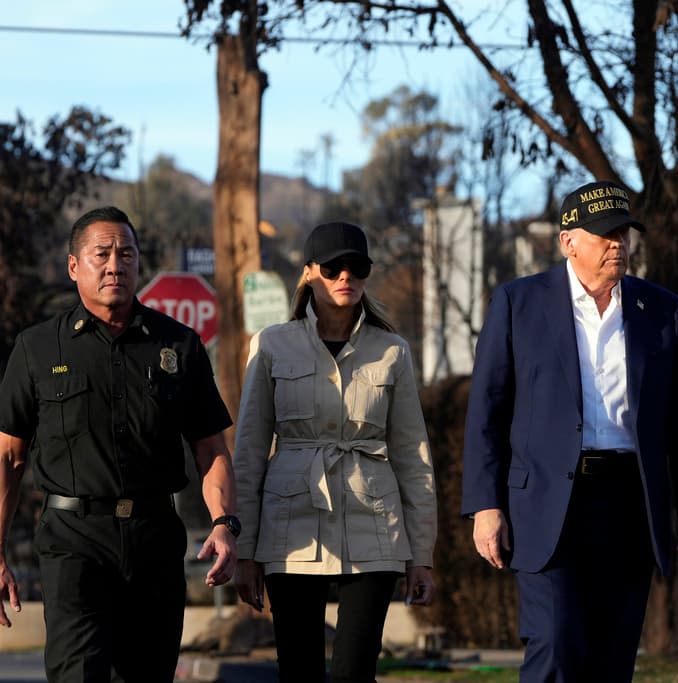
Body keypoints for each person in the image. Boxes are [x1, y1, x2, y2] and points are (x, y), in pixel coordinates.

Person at [462, 180, 678, 682]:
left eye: (624, 232)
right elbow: (487, 411)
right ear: (568, 241)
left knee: (612, 656)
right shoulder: (518, 303)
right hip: (546, 503)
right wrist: (485, 505)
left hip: (629, 501)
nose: (618, 244)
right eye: (605, 234)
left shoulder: (659, 309)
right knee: (554, 646)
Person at [0, 206, 238, 682]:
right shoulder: (38, 348)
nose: (115, 264)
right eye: (102, 253)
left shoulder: (179, 345)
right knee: (78, 673)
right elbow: (9, 455)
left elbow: (210, 449)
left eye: (126, 253)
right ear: (74, 267)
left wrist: (224, 522)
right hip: (73, 540)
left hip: (154, 536)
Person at [232, 221, 436, 683]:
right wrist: (246, 550)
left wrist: (421, 554)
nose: (346, 277)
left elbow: (413, 456)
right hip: (291, 527)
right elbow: (248, 450)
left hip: (374, 524)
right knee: (299, 671)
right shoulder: (270, 345)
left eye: (357, 268)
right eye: (332, 267)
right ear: (308, 273)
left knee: (355, 673)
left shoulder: (393, 352)